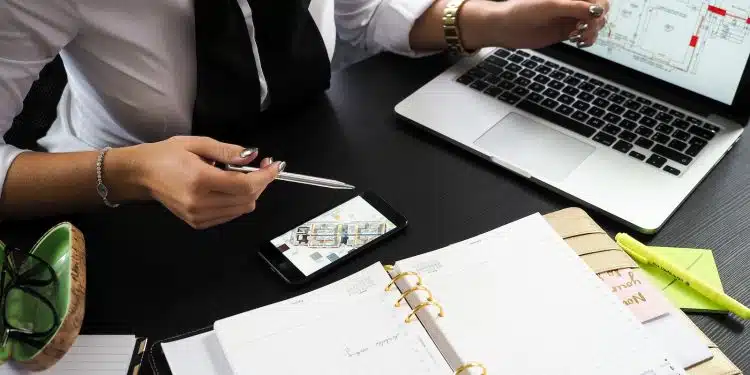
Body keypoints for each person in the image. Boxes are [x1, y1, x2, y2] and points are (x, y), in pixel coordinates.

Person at [0, 0, 609, 229]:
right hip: (123, 210)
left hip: (308, 152)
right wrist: (129, 172)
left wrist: (488, 20)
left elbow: (365, 18)